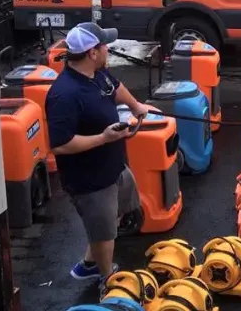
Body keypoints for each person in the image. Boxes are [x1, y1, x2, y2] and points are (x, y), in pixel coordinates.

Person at [45, 22, 159, 295]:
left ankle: (88, 263)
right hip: (90, 180)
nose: (109, 48)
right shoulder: (64, 94)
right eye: (104, 45)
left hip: (113, 166)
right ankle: (108, 280)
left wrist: (137, 106)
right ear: (92, 53)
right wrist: (104, 138)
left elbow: (115, 87)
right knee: (105, 233)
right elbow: (60, 145)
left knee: (112, 217)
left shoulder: (97, 73)